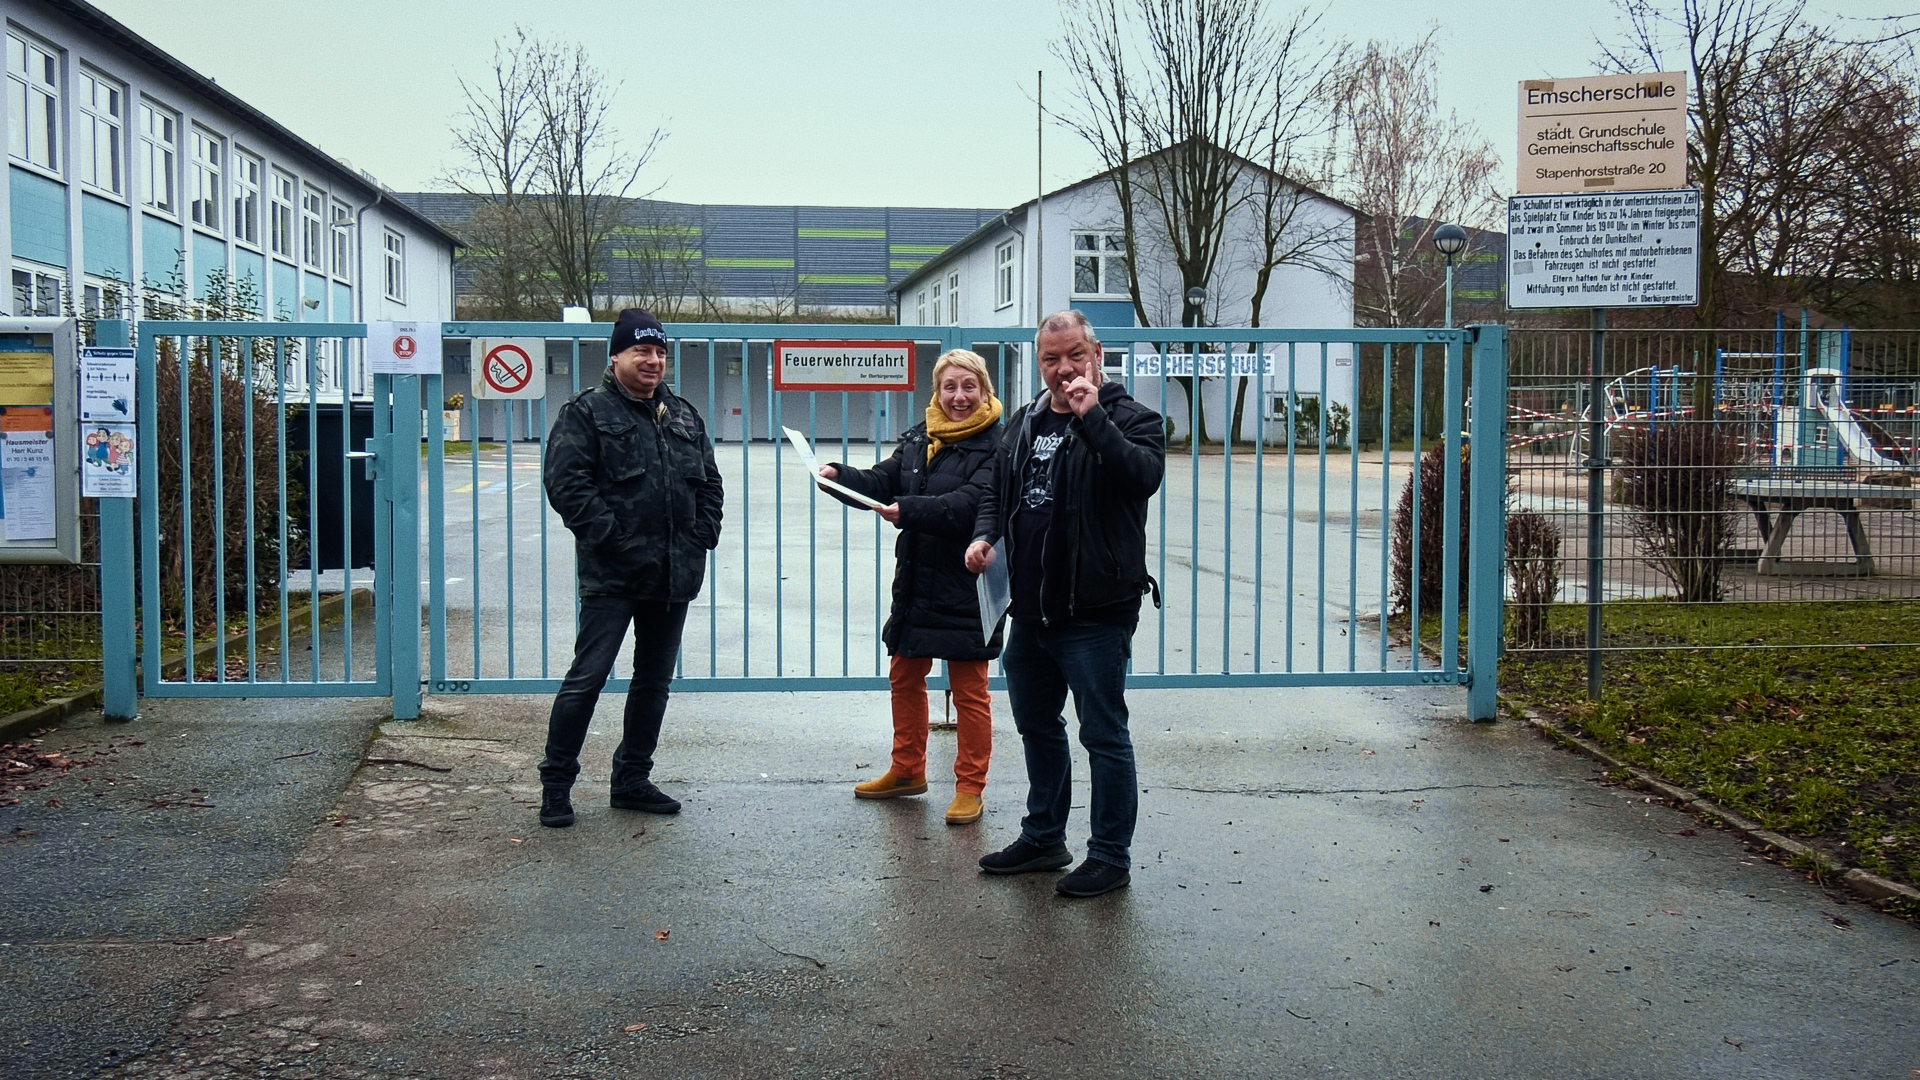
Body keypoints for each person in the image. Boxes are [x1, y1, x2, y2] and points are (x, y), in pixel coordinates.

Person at [965, 310, 1164, 897]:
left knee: (1103, 734)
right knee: (1037, 726)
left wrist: (1092, 416)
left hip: (1095, 610)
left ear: (1097, 355)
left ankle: (1110, 856)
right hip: (1030, 609)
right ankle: (1045, 837)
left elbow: (1141, 477)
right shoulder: (1024, 420)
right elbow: (996, 492)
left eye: (1075, 355)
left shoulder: (1134, 418)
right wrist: (984, 536)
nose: (1064, 368)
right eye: (1051, 359)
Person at [537, 308, 724, 828]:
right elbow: (567, 485)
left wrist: (702, 535)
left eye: (660, 352)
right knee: (587, 679)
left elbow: (710, 483)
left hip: (674, 574)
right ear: (616, 355)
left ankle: (632, 780)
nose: (653, 360)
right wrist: (615, 542)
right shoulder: (587, 412)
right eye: (642, 350)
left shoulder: (682, 414)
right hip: (613, 576)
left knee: (653, 682)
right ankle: (557, 786)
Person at [818, 350, 1004, 825]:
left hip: (968, 581)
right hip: (918, 580)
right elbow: (884, 479)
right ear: (936, 391)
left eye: (969, 387)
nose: (959, 397)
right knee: (904, 675)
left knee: (970, 690)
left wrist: (908, 510)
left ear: (984, 390)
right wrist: (840, 478)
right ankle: (906, 770)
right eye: (949, 387)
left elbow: (970, 503)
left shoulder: (998, 444)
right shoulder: (922, 436)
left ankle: (970, 786)